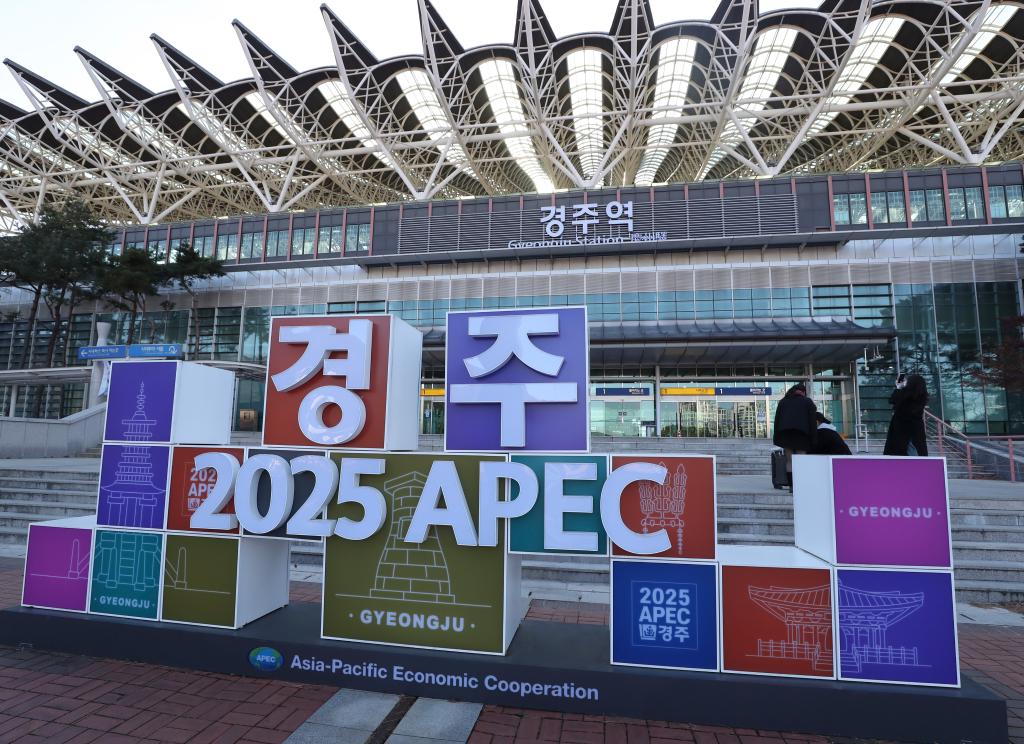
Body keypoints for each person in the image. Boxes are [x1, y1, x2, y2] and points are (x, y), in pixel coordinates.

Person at [772, 383, 818, 482]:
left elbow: (777, 420)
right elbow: (812, 422)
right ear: (803, 392)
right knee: (801, 460)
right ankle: (801, 483)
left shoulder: (783, 401)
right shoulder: (807, 401)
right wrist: (814, 438)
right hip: (802, 435)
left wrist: (776, 437)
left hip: (786, 435)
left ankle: (791, 484)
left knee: (789, 461)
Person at [883, 373, 929, 456]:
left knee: (907, 452)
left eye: (907, 381)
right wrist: (899, 388)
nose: (905, 383)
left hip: (902, 432)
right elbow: (893, 401)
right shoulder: (921, 397)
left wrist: (899, 388)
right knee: (914, 451)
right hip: (913, 431)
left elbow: (893, 401)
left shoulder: (907, 396)